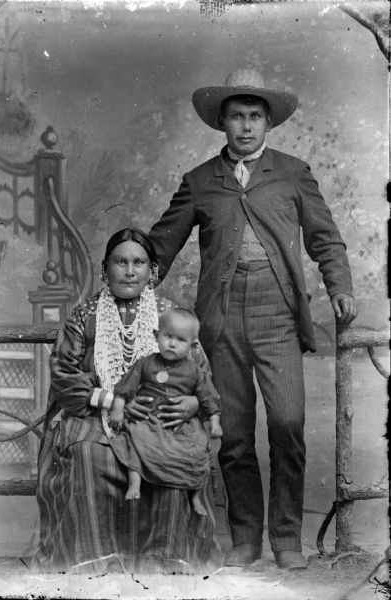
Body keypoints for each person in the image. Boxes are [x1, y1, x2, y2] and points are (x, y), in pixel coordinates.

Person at [148, 68, 358, 570]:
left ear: (268, 123)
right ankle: (245, 537)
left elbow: (325, 238)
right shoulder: (199, 181)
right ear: (222, 122)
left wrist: (341, 287)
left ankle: (287, 540)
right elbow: (160, 246)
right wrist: (129, 278)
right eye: (237, 117)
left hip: (278, 315)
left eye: (255, 117)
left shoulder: (292, 173)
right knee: (235, 433)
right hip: (219, 320)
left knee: (287, 424)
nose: (246, 127)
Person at [31, 228, 223, 575]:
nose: (130, 271)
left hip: (159, 417)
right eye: (121, 262)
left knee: (175, 455)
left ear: (153, 272)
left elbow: (200, 373)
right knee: (90, 454)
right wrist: (108, 400)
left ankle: (162, 564)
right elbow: (64, 375)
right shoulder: (85, 315)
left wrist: (193, 404)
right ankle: (95, 564)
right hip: (94, 414)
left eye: (139, 263)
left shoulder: (169, 316)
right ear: (105, 270)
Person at [108, 307, 223, 516]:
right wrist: (117, 409)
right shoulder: (145, 363)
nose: (172, 343)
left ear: (192, 345)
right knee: (135, 439)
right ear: (156, 336)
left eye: (180, 340)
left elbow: (208, 396)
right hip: (149, 418)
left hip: (180, 423)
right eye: (167, 336)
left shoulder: (194, 371)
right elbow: (125, 388)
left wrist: (214, 422)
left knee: (198, 450)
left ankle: (195, 497)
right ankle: (135, 484)